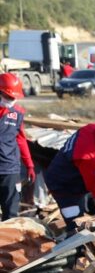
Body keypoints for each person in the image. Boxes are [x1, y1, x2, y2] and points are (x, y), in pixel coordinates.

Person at [0, 73, 35, 220]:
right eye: (8, 97)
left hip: (9, 168)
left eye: (13, 98)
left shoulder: (18, 113)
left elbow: (21, 139)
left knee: (11, 212)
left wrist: (29, 165)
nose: (11, 101)